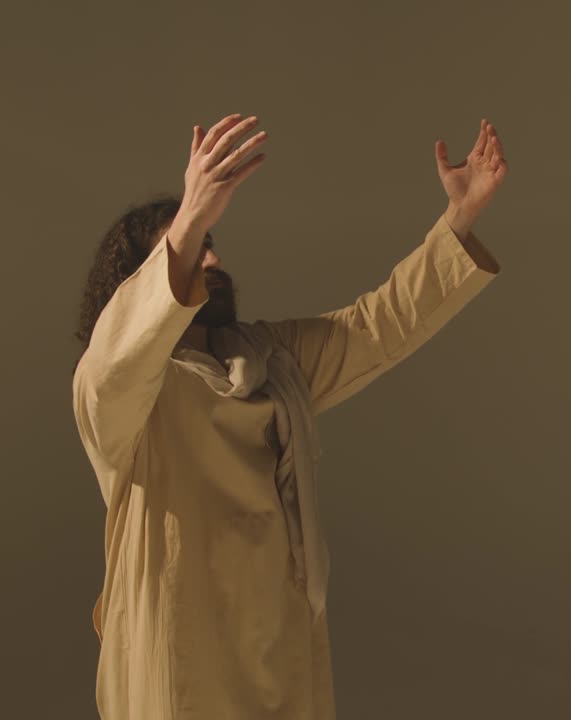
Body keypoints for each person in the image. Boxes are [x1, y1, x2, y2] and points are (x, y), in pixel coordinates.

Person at [70, 113, 507, 719]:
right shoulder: (121, 394)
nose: (213, 257)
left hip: (274, 640)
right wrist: (191, 213)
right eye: (195, 245)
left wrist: (460, 217)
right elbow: (117, 358)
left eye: (212, 240)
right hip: (178, 649)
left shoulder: (269, 358)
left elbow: (377, 326)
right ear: (139, 285)